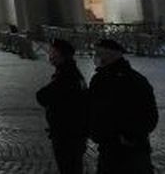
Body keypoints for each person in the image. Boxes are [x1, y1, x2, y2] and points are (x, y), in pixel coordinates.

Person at [89, 38, 157, 173]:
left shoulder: (131, 81)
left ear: (110, 55)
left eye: (98, 53)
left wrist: (130, 136)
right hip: (109, 147)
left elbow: (149, 115)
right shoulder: (100, 78)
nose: (95, 57)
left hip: (129, 150)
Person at [36, 38, 89, 174]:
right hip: (72, 131)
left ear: (62, 55)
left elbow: (43, 96)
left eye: (53, 53)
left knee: (69, 167)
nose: (50, 56)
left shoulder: (67, 75)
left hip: (68, 133)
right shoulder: (71, 72)